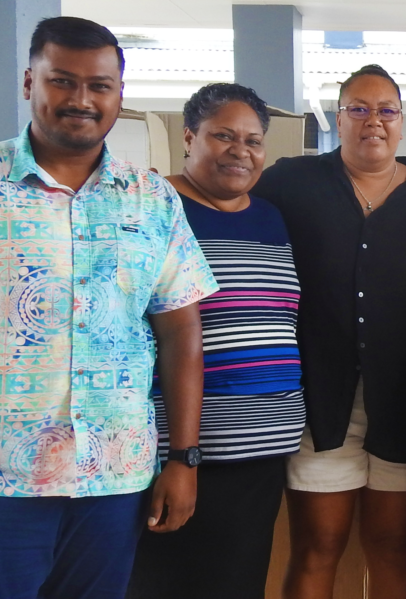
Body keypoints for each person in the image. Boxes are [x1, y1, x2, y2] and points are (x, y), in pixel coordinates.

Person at [0, 17, 216, 598]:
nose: (82, 99)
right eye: (63, 81)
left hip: (113, 479)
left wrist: (183, 459)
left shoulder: (152, 198)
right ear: (29, 82)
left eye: (99, 85)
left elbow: (181, 331)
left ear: (118, 94)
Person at [253, 64, 406, 598]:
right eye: (359, 109)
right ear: (339, 118)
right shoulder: (291, 183)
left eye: (387, 110)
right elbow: (232, 207)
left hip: (404, 403)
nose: (374, 121)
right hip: (320, 399)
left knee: (395, 545)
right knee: (318, 545)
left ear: (402, 122)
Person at [127, 83, 306, 599]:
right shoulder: (154, 205)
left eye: (253, 141)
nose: (240, 151)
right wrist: (179, 456)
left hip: (263, 451)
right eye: (224, 136)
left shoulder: (269, 217)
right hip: (179, 452)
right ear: (189, 137)